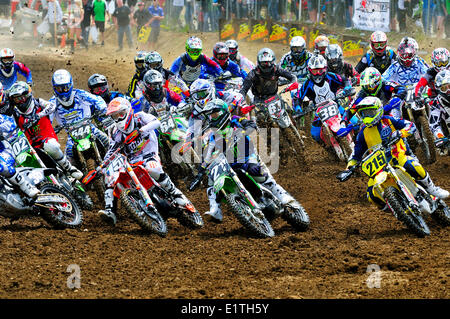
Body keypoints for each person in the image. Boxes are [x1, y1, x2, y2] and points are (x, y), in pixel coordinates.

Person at [191, 99, 297, 222]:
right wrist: (199, 173)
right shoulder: (213, 134)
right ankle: (216, 209)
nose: (213, 118)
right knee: (211, 178)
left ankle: (282, 195)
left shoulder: (235, 120)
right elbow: (207, 155)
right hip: (230, 165)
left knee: (256, 171)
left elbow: (251, 125)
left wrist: (243, 132)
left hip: (248, 157)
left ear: (223, 112)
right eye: (211, 115)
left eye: (215, 114)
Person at [98, 96, 191, 225]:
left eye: (121, 114)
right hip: (132, 161)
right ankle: (110, 211)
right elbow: (111, 149)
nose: (118, 118)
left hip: (149, 154)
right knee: (110, 177)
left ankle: (175, 193)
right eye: (115, 116)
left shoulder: (140, 117)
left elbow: (156, 122)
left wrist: (141, 130)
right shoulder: (115, 132)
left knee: (153, 168)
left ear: (128, 111)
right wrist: (103, 165)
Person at [341, 96, 449, 206]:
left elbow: (409, 125)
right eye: (364, 113)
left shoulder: (388, 120)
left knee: (412, 165)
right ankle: (395, 207)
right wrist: (348, 169)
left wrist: (401, 133)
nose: (367, 116)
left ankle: (432, 189)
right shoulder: (362, 133)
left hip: (399, 156)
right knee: (371, 194)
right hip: (380, 167)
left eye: (370, 112)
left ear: (378, 110)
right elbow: (355, 155)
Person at [8, 81, 83, 180]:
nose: (21, 101)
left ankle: (69, 168)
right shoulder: (15, 114)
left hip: (45, 136)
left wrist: (39, 115)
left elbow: (51, 106)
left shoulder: (37, 102)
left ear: (28, 94)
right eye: (17, 99)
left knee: (51, 146)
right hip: (29, 144)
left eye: (22, 97)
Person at [49, 69, 110, 165]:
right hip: (71, 136)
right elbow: (47, 118)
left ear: (70, 85)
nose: (63, 91)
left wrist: (103, 110)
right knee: (68, 160)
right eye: (59, 89)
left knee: (106, 141)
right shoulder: (53, 103)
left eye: (65, 88)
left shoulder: (80, 94)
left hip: (90, 128)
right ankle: (74, 179)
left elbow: (97, 99)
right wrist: (50, 130)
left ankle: (113, 164)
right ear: (54, 88)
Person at [293, 54, 349, 146]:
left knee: (355, 122)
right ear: (310, 71)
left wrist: (347, 87)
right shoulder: (307, 83)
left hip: (336, 105)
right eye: (315, 71)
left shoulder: (330, 76)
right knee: (315, 135)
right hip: (319, 112)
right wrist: (298, 107)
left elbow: (344, 80)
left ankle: (358, 140)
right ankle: (327, 149)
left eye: (320, 70)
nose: (318, 73)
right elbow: (298, 97)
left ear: (325, 69)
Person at [0, 114, 40, 198]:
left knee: (2, 166)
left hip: (3, 150)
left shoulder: (2, 118)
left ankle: (27, 187)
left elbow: (10, 124)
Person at [428, 70, 450, 155]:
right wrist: (440, 136)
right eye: (444, 88)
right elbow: (434, 124)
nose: (448, 91)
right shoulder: (436, 104)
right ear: (438, 89)